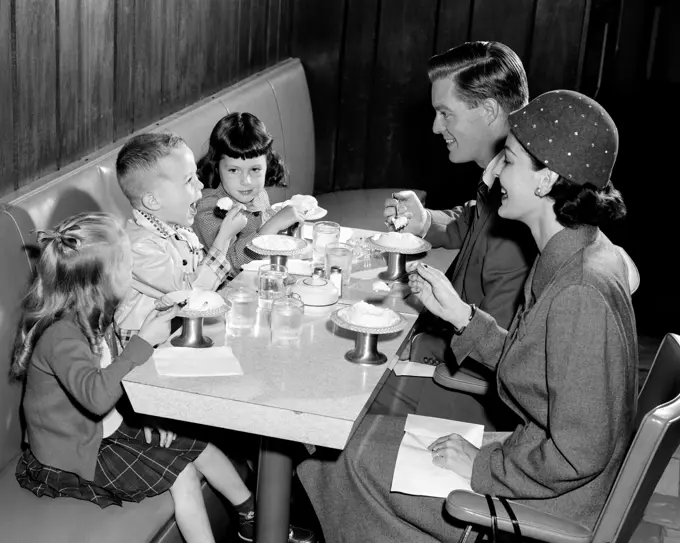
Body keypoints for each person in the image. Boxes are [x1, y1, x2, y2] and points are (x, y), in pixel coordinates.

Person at [298, 89, 638, 542]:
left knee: (340, 461)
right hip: (536, 459)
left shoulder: (578, 290)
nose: (495, 171)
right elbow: (538, 367)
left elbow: (581, 451)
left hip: (550, 494)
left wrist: (481, 465)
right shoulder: (574, 249)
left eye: (510, 160)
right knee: (353, 445)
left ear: (546, 180)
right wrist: (464, 318)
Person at [10, 213, 257, 543]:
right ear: (103, 279)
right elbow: (96, 398)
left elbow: (111, 380)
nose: (133, 271)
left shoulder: (92, 314)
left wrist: (148, 416)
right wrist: (144, 341)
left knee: (199, 445)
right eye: (127, 265)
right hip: (70, 456)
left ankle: (251, 515)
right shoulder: (62, 337)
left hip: (102, 429)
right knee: (182, 473)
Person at [373, 41, 535, 423]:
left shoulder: (519, 218)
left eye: (446, 113)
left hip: (474, 398)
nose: (435, 126)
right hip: (457, 358)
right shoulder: (503, 183)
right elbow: (472, 220)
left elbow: (496, 358)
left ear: (490, 110)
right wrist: (425, 221)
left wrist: (422, 345)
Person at [113, 132, 247, 347]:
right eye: (188, 180)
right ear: (153, 200)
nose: (200, 184)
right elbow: (192, 295)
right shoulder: (138, 247)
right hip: (145, 344)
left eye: (196, 175)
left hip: (180, 329)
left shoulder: (176, 228)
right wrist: (223, 239)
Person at [193, 112, 303, 273]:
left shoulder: (258, 194)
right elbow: (228, 264)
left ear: (267, 164)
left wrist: (284, 222)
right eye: (233, 170)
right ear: (216, 166)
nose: (247, 181)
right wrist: (273, 225)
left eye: (255, 169)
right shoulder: (207, 208)